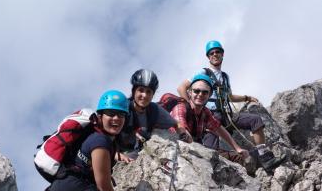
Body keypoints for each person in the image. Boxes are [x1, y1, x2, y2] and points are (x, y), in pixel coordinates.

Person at [41, 90, 136, 191]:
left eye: (121, 115)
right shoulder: (100, 140)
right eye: (111, 114)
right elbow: (103, 186)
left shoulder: (90, 137)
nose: (116, 119)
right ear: (100, 117)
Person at [177, 40, 286, 172]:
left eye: (218, 52)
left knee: (255, 120)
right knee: (210, 150)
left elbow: (229, 96)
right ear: (208, 56)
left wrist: (246, 98)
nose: (215, 54)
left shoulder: (224, 77)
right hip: (211, 115)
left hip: (226, 114)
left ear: (222, 54)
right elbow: (181, 87)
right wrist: (190, 105)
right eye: (211, 53)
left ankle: (264, 157)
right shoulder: (204, 72)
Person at [171, 73, 249, 161]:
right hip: (176, 149)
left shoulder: (205, 112)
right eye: (196, 91)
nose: (200, 94)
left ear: (210, 94)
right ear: (189, 92)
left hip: (197, 150)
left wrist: (237, 148)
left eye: (205, 92)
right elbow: (179, 124)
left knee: (236, 156)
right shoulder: (181, 107)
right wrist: (184, 134)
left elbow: (218, 128)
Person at [117, 69, 177, 161]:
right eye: (141, 90)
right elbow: (103, 135)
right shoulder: (122, 109)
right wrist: (116, 155)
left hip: (137, 154)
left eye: (148, 91)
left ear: (153, 95)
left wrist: (182, 131)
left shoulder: (154, 110)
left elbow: (176, 123)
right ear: (134, 92)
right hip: (114, 153)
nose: (144, 95)